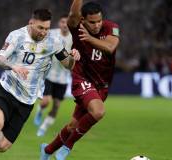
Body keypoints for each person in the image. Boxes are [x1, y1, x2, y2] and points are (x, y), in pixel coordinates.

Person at [0, 9, 80, 160]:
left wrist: (73, 58)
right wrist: (13, 67)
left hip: (27, 99)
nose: (44, 32)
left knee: (2, 146)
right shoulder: (17, 36)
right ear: (31, 23)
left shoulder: (54, 42)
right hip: (6, 89)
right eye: (40, 28)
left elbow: (68, 65)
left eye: (46, 28)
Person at [40, 1, 120, 160]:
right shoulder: (77, 28)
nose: (97, 25)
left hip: (102, 85)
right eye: (92, 22)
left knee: (73, 126)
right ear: (83, 20)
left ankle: (47, 151)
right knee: (98, 112)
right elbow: (73, 15)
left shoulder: (111, 27)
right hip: (82, 78)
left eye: (99, 21)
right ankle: (68, 146)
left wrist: (90, 38)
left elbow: (110, 47)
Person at [33, 15, 73, 137]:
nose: (65, 24)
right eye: (62, 21)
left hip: (63, 77)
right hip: (49, 74)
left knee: (56, 106)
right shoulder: (51, 33)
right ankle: (39, 111)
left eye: (67, 22)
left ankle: (43, 127)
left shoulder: (74, 37)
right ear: (59, 23)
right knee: (46, 101)